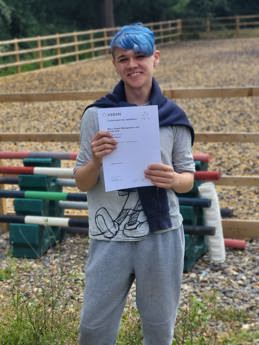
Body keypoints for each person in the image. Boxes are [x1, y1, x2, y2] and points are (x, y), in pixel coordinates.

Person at [74, 23, 195, 345]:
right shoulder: (97, 115)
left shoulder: (173, 117)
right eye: (123, 58)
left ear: (156, 57)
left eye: (140, 56)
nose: (132, 65)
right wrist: (97, 161)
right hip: (110, 236)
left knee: (158, 326)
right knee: (93, 328)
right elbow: (82, 182)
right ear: (114, 64)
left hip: (162, 235)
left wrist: (173, 179)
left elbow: (188, 178)